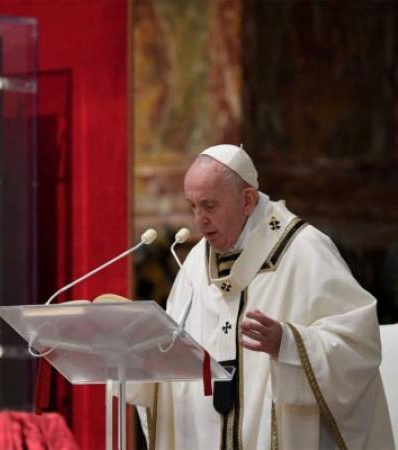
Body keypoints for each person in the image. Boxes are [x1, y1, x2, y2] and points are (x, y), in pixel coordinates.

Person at [129, 145, 394, 449]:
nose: (198, 220)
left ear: (248, 200)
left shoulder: (303, 251)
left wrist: (290, 343)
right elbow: (175, 349)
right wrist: (141, 351)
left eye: (209, 205)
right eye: (192, 206)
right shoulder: (194, 263)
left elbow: (359, 346)